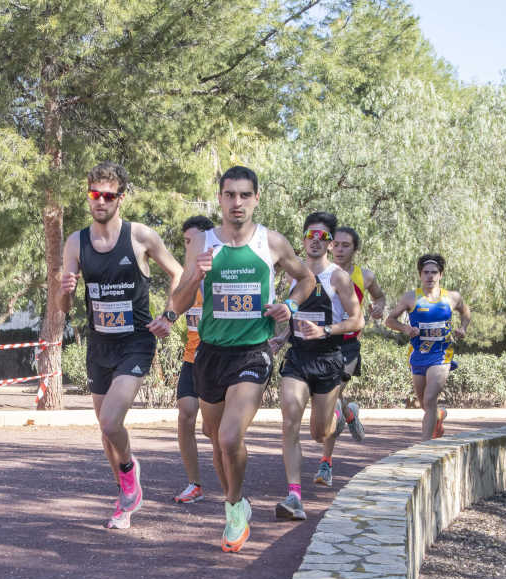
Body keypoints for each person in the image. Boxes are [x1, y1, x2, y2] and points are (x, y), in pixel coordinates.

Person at [170, 166, 315, 552]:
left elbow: (306, 279)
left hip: (252, 352)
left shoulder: (271, 242)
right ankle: (236, 504)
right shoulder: (202, 243)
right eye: (230, 194)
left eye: (245, 195)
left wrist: (289, 305)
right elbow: (178, 302)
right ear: (220, 198)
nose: (237, 202)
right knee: (215, 438)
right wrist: (195, 277)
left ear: (256, 198)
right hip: (209, 353)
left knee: (230, 436)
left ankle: (234, 507)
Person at [60, 161, 183, 529]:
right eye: (94, 194)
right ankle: (124, 497)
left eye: (108, 195)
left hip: (136, 342)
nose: (100, 201)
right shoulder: (76, 242)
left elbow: (178, 272)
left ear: (120, 199)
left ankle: (130, 473)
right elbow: (64, 306)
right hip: (99, 345)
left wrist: (169, 315)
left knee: (111, 421)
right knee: (106, 431)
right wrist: (65, 290)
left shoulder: (140, 236)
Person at [268, 212, 364, 520]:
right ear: (303, 239)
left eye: (322, 237)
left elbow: (357, 320)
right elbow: (294, 316)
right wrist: (282, 337)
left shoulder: (338, 278)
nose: (315, 241)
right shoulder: (293, 274)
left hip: (328, 358)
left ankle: (338, 414)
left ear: (330, 243)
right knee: (289, 420)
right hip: (298, 357)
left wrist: (326, 330)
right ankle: (294, 496)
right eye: (311, 235)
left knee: (320, 434)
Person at [384, 253, 471, 441]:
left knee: (430, 398)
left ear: (441, 275)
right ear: (420, 275)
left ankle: (425, 446)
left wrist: (463, 328)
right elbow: (389, 320)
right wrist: (406, 328)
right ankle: (438, 416)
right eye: (426, 272)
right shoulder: (410, 297)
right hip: (418, 355)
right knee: (424, 403)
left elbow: (466, 312)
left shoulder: (452, 297)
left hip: (441, 355)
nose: (430, 276)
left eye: (434, 272)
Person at [172, 215, 215, 504]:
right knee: (185, 415)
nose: (188, 246)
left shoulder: (223, 271)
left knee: (212, 430)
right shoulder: (185, 275)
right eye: (186, 241)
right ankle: (194, 484)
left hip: (218, 359)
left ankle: (233, 485)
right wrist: (166, 318)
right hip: (192, 359)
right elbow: (174, 306)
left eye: (192, 241)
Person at [330, 226, 386, 442]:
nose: (339, 249)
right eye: (336, 244)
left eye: (346, 245)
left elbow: (379, 297)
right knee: (330, 393)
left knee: (333, 391)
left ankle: (328, 454)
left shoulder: (365, 276)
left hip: (349, 344)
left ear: (355, 249)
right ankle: (350, 413)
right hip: (323, 341)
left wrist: (378, 308)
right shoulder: (320, 273)